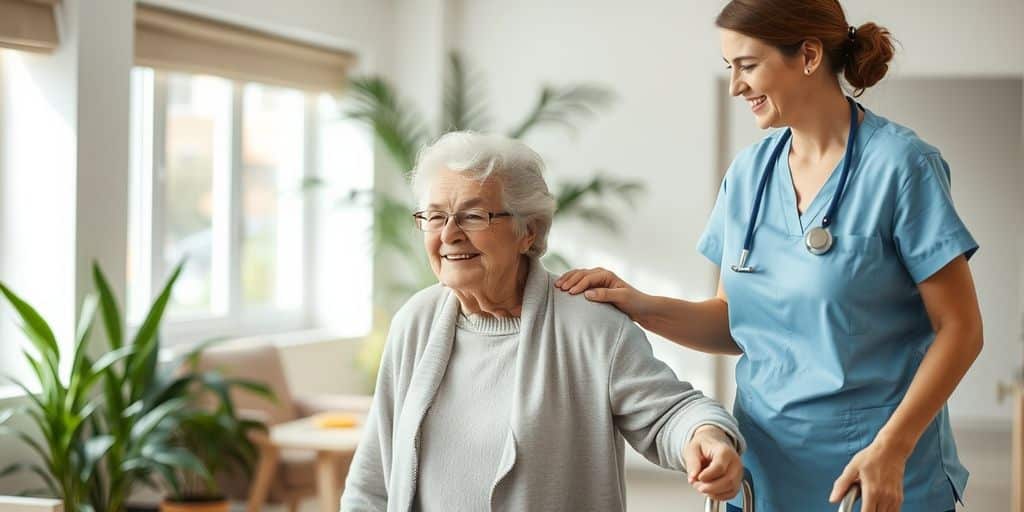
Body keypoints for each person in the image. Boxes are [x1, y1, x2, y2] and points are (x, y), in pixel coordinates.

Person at [556, 1, 983, 510]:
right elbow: (733, 323)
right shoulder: (749, 175)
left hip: (875, 473)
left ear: (808, 56)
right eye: (729, 68)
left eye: (747, 65)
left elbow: (961, 329)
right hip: (764, 477)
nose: (735, 87)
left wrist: (893, 448)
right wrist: (639, 304)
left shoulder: (901, 167)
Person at [340, 131, 746, 511]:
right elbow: (372, 480)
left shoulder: (589, 326)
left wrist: (705, 436)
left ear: (528, 231)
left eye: (473, 216)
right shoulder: (415, 323)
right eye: (434, 216)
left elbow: (670, 413)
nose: (449, 234)